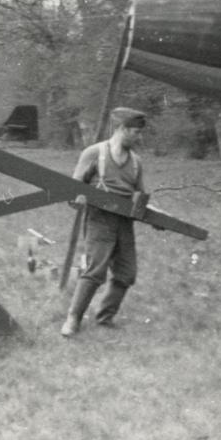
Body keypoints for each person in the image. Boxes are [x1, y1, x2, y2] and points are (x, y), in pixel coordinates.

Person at [60, 107, 149, 337]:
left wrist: (149, 211)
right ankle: (73, 319)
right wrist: (76, 200)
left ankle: (105, 318)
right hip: (99, 219)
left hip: (124, 223)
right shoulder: (94, 153)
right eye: (135, 132)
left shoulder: (136, 162)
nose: (139, 137)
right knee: (94, 270)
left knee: (127, 273)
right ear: (121, 129)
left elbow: (140, 195)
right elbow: (74, 188)